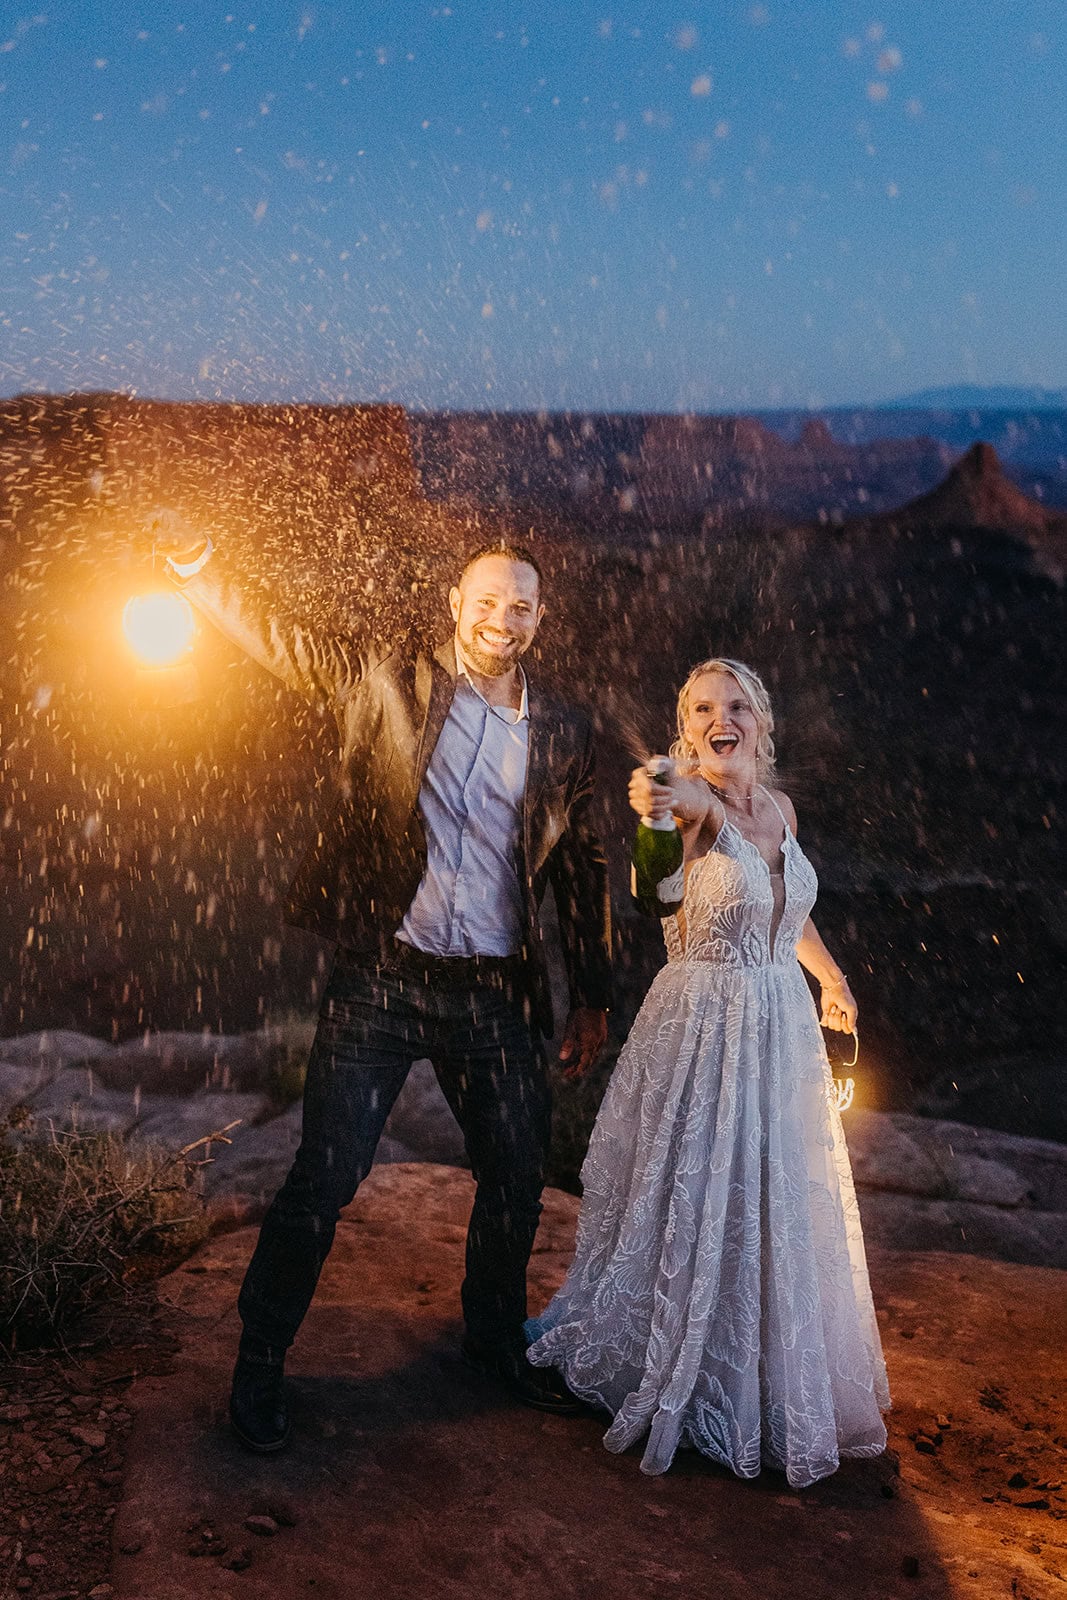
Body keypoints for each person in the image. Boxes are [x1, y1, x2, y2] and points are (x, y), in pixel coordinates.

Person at [154, 517, 612, 1451]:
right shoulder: (385, 680)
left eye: (520, 606)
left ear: (540, 618)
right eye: (486, 600)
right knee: (324, 1176)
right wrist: (199, 570)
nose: (502, 618)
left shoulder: (566, 729)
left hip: (493, 993)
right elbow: (282, 642)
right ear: (455, 604)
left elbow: (582, 865)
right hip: (383, 981)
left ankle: (493, 1341)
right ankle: (260, 1363)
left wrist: (593, 995)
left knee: (516, 1175)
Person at [526, 657, 889, 1489]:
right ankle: (677, 1369)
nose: (719, 720)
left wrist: (831, 980)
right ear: (685, 731)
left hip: (780, 1026)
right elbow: (654, 893)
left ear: (761, 722)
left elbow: (787, 910)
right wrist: (656, 812)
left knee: (768, 1196)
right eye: (700, 710)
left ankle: (755, 1370)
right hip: (703, 1028)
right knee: (696, 1192)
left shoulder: (781, 810)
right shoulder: (688, 800)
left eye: (735, 706)